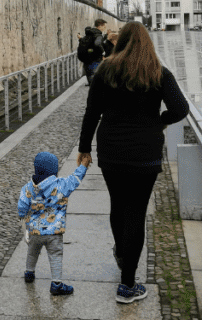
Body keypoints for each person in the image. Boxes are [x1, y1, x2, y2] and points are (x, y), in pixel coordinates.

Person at [77, 22, 189, 304]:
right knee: (136, 212)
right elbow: (180, 108)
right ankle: (128, 285)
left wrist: (84, 148)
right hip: (145, 152)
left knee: (118, 204)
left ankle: (121, 253)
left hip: (112, 150)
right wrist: (159, 122)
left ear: (121, 41)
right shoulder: (158, 72)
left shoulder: (105, 71)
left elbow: (92, 112)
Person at [17, 151, 89, 296]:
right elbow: (75, 179)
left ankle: (29, 273)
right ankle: (56, 284)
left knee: (32, 252)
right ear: (54, 170)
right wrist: (83, 165)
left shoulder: (27, 188)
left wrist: (24, 217)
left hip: (34, 232)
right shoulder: (61, 185)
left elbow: (21, 207)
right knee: (55, 256)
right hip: (54, 233)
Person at [77, 19, 107, 85]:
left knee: (91, 82)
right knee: (96, 83)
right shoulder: (98, 35)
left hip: (86, 61)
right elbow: (97, 44)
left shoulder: (88, 34)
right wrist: (103, 52)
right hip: (95, 60)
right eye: (104, 26)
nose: (105, 28)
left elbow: (83, 42)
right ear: (100, 26)